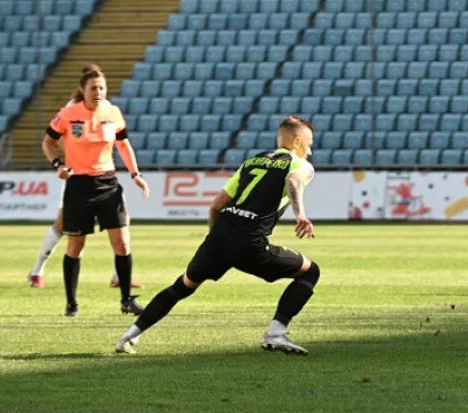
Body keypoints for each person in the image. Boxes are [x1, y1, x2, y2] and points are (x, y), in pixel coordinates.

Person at [115, 115, 319, 356]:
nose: (311, 150)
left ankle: (129, 336)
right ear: (297, 142)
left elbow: (215, 205)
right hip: (251, 243)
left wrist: (215, 242)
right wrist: (301, 215)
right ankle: (275, 333)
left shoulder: (253, 160)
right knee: (310, 271)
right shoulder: (300, 164)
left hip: (219, 236)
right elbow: (294, 182)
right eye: (309, 143)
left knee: (181, 286)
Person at [42, 64, 150, 316]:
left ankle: (126, 300)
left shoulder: (112, 112)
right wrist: (57, 164)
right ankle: (71, 303)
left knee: (122, 243)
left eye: (102, 87)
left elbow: (123, 144)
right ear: (83, 90)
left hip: (108, 184)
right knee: (75, 246)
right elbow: (48, 141)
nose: (98, 92)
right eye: (93, 88)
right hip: (78, 185)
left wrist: (136, 174)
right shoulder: (68, 114)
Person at [28, 207, 142, 290]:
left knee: (121, 223)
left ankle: (118, 277)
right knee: (61, 225)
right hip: (80, 182)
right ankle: (36, 272)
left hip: (107, 181)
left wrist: (135, 175)